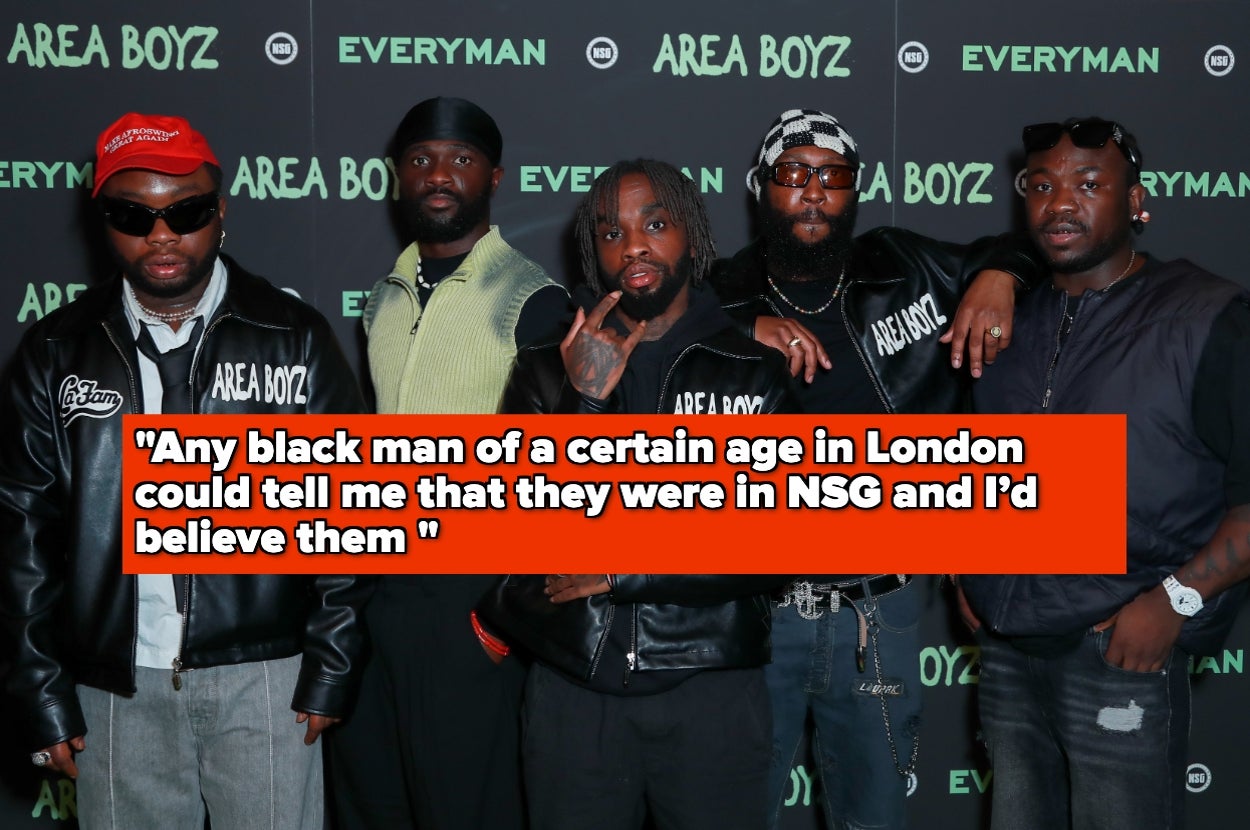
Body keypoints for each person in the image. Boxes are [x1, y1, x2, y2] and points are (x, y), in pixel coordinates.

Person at [0, 112, 371, 829]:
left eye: (187, 211)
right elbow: (23, 535)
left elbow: (349, 508)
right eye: (133, 216)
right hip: (114, 685)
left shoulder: (292, 338)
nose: (162, 235)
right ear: (103, 222)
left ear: (222, 210)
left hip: (266, 676)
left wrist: (333, 664)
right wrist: (41, 688)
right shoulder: (55, 351)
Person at [708, 108, 1043, 830]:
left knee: (875, 816)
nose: (814, 192)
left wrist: (998, 274)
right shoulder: (718, 293)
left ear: (855, 190)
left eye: (833, 176)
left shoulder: (905, 266)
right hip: (752, 611)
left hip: (879, 609)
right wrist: (736, 326)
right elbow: (633, 323)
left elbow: (1046, 244)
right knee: (734, 811)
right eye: (794, 173)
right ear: (761, 186)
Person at [482, 158, 795, 830]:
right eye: (611, 233)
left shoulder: (753, 373)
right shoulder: (544, 370)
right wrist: (585, 404)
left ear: (692, 234)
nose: (633, 247)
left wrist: (628, 569)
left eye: (654, 225)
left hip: (711, 688)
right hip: (576, 687)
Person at [958, 116, 1250, 829]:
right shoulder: (1004, 320)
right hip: (1007, 654)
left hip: (1119, 651)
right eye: (1042, 186)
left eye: (1089, 185)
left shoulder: (1205, 314)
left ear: (1137, 202)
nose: (1061, 203)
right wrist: (963, 571)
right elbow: (979, 463)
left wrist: (1175, 600)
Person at [328, 96, 566, 830]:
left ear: (493, 177)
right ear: (397, 176)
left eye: (460, 160)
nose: (439, 175)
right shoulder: (383, 297)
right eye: (421, 160)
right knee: (373, 805)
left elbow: (562, 473)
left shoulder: (533, 299)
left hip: (471, 601)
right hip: (377, 596)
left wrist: (503, 618)